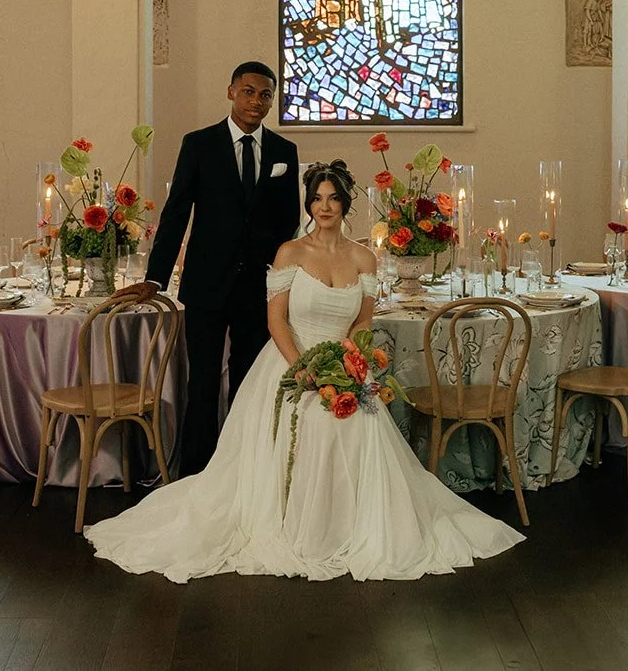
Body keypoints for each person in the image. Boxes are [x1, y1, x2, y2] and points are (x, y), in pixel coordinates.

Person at [85, 161, 524, 581]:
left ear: (346, 203)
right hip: (291, 362)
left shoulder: (364, 258)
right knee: (311, 421)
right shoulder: (290, 252)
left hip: (345, 364)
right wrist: (307, 370)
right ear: (308, 204)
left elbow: (363, 321)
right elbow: (276, 321)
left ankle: (349, 525)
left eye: (333, 198)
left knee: (359, 424)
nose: (325, 206)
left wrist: (353, 362)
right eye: (317, 198)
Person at [125, 61, 301, 476]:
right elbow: (176, 214)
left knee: (248, 384)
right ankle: (195, 474)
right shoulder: (199, 144)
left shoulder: (283, 152)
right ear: (231, 92)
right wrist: (156, 276)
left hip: (258, 290)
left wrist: (284, 281)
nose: (256, 101)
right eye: (248, 92)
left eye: (265, 95)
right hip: (205, 284)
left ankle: (242, 472)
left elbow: (288, 222)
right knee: (201, 383)